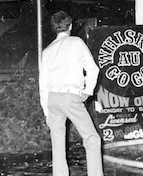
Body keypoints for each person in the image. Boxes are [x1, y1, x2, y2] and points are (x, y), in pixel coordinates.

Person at [38, 11, 103, 176]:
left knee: (58, 146)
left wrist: (46, 112)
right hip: (70, 96)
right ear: (71, 26)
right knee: (92, 139)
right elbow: (93, 70)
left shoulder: (47, 51)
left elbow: (43, 84)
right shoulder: (76, 42)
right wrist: (87, 92)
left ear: (54, 28)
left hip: (52, 99)